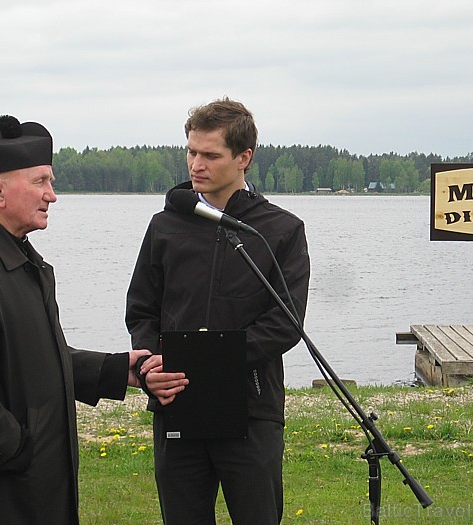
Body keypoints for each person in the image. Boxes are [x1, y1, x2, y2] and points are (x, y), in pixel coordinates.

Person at [0, 115, 166, 525]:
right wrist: (19, 449)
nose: (52, 195)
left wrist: (116, 370)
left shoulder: (16, 256)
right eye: (40, 182)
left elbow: (33, 356)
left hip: (26, 492)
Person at [126, 97, 310, 524]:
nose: (196, 165)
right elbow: (141, 307)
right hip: (177, 400)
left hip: (251, 406)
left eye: (210, 155)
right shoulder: (166, 225)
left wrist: (211, 359)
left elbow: (285, 323)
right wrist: (152, 361)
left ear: (244, 157)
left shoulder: (279, 230)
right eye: (191, 152)